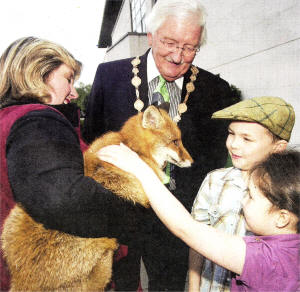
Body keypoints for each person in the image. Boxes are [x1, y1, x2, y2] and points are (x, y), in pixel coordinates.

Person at [83, 0, 238, 290]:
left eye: (189, 47)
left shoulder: (215, 90)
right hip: (119, 215)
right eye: (169, 42)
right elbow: (91, 139)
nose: (178, 56)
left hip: (178, 221)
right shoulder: (110, 76)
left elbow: (215, 160)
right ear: (151, 36)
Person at [0, 37, 144, 291]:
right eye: (68, 79)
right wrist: (132, 210)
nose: (75, 93)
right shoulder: (36, 120)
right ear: (39, 74)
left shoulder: (9, 118)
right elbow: (63, 199)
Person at [98, 144, 300, 292]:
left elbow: (186, 228)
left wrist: (140, 169)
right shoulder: (291, 250)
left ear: (282, 218)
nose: (243, 200)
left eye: (251, 196)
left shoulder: (270, 260)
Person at [189, 96, 296, 291]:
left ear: (278, 148)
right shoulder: (214, 181)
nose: (234, 145)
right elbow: (196, 238)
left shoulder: (286, 195)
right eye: (231, 133)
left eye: (247, 139)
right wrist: (194, 287)